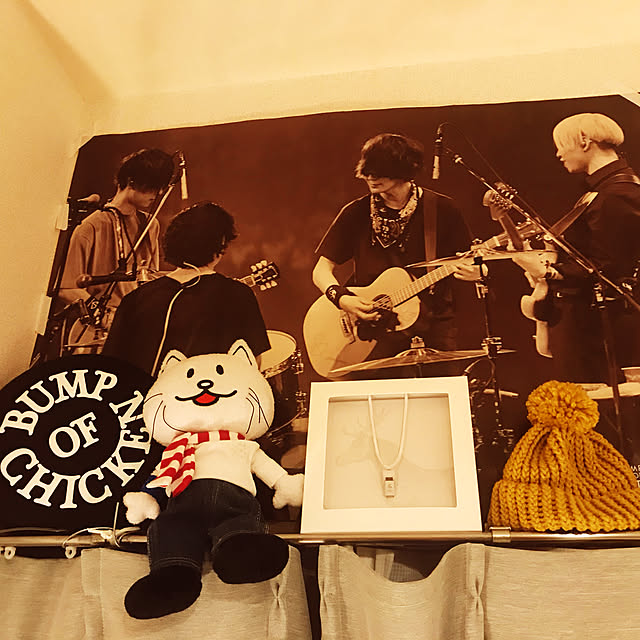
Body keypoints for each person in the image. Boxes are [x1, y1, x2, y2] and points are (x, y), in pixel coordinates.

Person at [311, 132, 479, 374]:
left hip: (433, 329)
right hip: (371, 333)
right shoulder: (355, 212)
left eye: (379, 170)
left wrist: (476, 272)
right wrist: (342, 299)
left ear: (405, 170)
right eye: (367, 170)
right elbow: (321, 269)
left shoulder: (442, 209)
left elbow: (476, 261)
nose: (370, 177)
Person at [512, 113, 640, 383]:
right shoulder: (601, 191)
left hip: (594, 329)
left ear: (584, 140)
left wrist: (549, 272)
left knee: (590, 402)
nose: (558, 154)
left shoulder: (618, 194)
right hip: (585, 323)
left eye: (561, 145)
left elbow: (609, 268)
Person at [102, 201, 271, 376]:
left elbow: (111, 368)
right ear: (221, 242)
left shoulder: (135, 299)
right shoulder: (239, 294)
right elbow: (252, 363)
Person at [58, 148, 176, 327]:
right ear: (131, 181)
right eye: (153, 186)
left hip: (134, 325)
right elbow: (66, 288)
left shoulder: (151, 225)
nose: (158, 193)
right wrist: (103, 315)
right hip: (96, 329)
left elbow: (149, 279)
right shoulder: (90, 227)